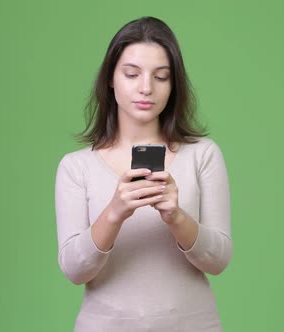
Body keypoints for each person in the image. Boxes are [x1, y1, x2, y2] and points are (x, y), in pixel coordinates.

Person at [55, 16, 232, 331]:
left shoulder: (203, 154)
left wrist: (176, 216)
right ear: (111, 78)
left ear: (173, 84)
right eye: (132, 74)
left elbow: (218, 260)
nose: (146, 88)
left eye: (161, 76)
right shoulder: (76, 166)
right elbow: (74, 270)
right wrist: (114, 212)